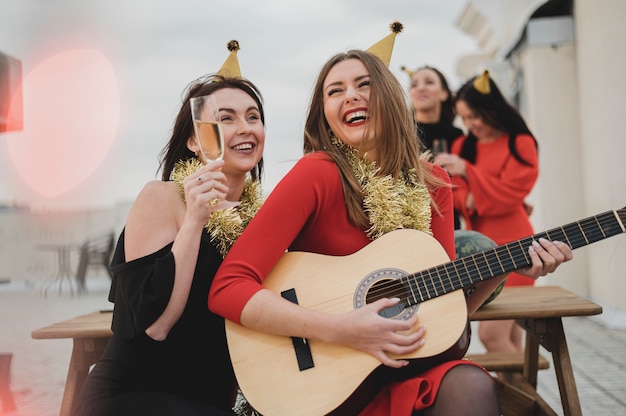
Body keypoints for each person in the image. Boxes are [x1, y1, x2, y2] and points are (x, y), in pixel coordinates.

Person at [209, 25, 573, 416]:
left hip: (407, 369)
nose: (350, 96)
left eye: (363, 85)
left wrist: (506, 267)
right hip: (332, 375)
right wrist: (340, 328)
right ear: (326, 115)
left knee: (471, 383)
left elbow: (441, 311)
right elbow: (227, 288)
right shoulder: (316, 174)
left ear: (389, 98)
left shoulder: (435, 185)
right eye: (335, 91)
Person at [74, 41, 266, 416]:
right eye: (226, 118)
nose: (244, 128)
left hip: (212, 401)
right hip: (134, 397)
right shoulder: (163, 197)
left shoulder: (259, 220)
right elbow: (157, 326)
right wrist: (195, 219)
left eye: (253, 116)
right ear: (195, 140)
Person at [434, 70, 541, 358]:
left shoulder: (520, 143)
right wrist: (477, 196)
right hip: (480, 249)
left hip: (517, 243)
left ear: (492, 109)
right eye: (465, 118)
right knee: (510, 336)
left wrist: (469, 172)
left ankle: (518, 400)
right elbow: (453, 194)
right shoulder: (461, 146)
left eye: (475, 116)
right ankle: (526, 395)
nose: (471, 124)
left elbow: (512, 194)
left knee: (492, 335)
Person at [403, 65, 464, 230]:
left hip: (449, 224)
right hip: (408, 225)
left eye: (429, 82)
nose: (421, 88)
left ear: (444, 93)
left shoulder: (457, 136)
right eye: (414, 84)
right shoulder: (400, 134)